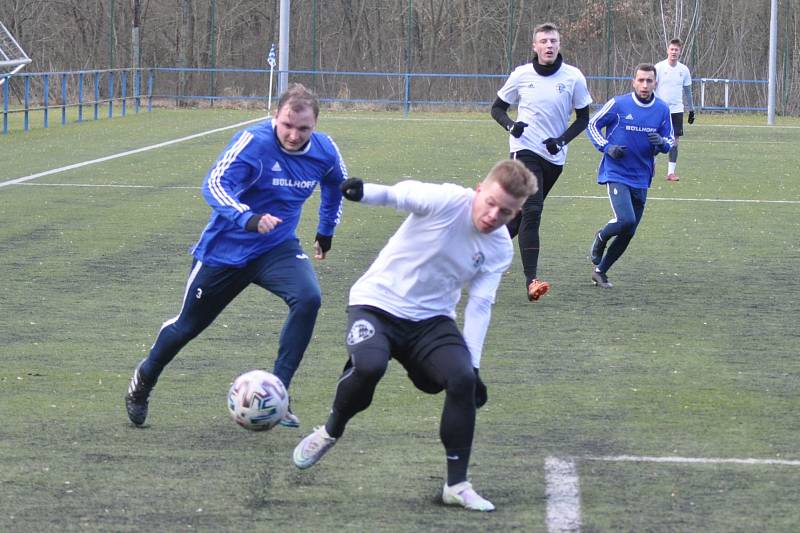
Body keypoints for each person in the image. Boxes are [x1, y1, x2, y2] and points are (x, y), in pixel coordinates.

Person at [292, 160, 537, 512]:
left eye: (506, 212)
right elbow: (400, 194)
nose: (493, 215)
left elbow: (480, 305)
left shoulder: (499, 248)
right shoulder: (448, 200)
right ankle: (330, 431)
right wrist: (364, 193)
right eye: (491, 203)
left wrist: (475, 365)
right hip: (376, 303)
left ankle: (456, 485)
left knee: (463, 379)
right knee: (370, 366)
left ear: (516, 214)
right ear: (480, 189)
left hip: (431, 320)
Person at [124, 83, 348, 428]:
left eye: (303, 128)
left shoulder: (324, 150)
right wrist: (249, 218)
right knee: (187, 326)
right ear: (275, 117)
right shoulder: (253, 142)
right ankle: (145, 378)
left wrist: (326, 230)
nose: (293, 135)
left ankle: (279, 393)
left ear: (315, 126)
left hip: (277, 247)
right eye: (287, 125)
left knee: (308, 298)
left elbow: (336, 186)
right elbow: (214, 184)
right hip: (226, 250)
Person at [491, 22, 593, 302]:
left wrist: (561, 140)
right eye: (544, 41)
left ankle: (476, 250)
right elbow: (497, 108)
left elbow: (583, 118)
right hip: (524, 150)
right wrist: (512, 127)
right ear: (534, 46)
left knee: (519, 217)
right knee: (533, 210)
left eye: (553, 41)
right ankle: (531, 281)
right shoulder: (521, 75)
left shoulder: (573, 77)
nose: (549, 45)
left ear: (559, 45)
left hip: (554, 157)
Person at [586, 64, 674, 288]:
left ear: (655, 83)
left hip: (642, 176)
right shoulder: (619, 104)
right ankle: (601, 237)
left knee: (629, 231)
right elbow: (592, 124)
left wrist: (662, 144)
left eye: (649, 81)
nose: (645, 85)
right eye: (641, 80)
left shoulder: (662, 110)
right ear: (633, 82)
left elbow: (670, 140)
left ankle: (600, 272)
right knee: (626, 219)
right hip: (617, 172)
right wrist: (607, 147)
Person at [655, 38, 695, 182]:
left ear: (680, 52)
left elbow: (688, 91)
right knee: (653, 138)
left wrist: (691, 110)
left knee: (675, 141)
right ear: (667, 50)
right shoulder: (658, 67)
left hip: (677, 110)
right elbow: (651, 87)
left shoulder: (684, 70)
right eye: (671, 49)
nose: (673, 52)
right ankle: (650, 166)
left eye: (676, 50)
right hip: (659, 110)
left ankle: (671, 173)